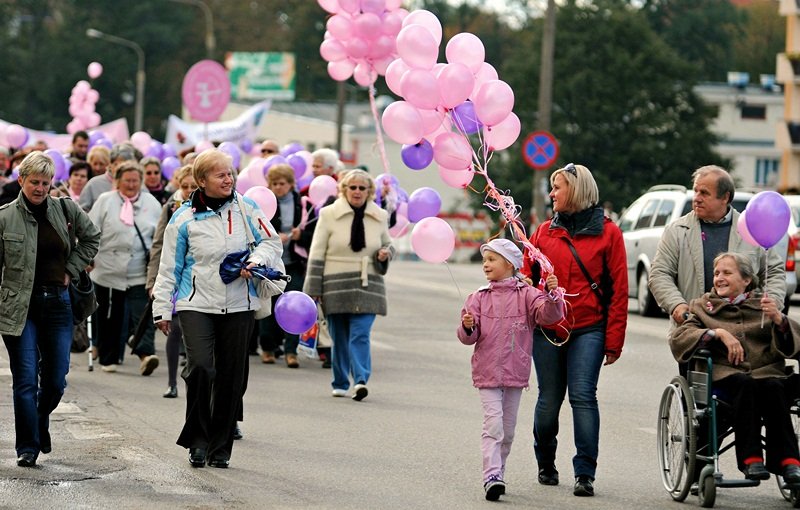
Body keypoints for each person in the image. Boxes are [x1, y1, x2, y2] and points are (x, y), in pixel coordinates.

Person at [152, 149, 282, 468]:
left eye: (230, 173)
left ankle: (220, 447)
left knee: (230, 376)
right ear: (201, 180)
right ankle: (198, 439)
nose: (229, 179)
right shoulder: (183, 218)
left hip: (239, 303)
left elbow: (272, 242)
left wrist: (256, 261)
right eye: (220, 174)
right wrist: (161, 308)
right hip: (196, 302)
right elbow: (169, 266)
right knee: (200, 367)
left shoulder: (247, 208)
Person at [520, 163, 628, 497]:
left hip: (588, 329)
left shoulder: (609, 233)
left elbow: (619, 291)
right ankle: (546, 463)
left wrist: (613, 342)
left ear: (577, 191)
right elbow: (527, 275)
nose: (551, 194)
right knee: (549, 400)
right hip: (548, 328)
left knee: (583, 396)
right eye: (552, 187)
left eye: (558, 187)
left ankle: (585, 473)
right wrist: (523, 282)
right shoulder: (542, 233)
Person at [0, 151, 100, 467]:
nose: (40, 189)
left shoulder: (65, 209)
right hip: (20, 306)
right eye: (34, 182)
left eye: (46, 183)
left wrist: (71, 267)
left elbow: (92, 238)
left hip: (59, 302)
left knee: (56, 379)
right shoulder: (5, 218)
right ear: (21, 180)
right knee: (26, 379)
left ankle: (40, 418)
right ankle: (27, 447)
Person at [670, 252, 800, 484]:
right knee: (745, 384)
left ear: (747, 280)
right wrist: (717, 333)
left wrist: (780, 321)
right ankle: (751, 460)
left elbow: (794, 344)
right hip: (725, 376)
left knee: (774, 386)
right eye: (717, 273)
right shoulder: (702, 307)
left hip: (767, 373)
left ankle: (789, 462)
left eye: (727, 273)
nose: (719, 278)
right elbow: (680, 338)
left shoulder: (764, 306)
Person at [458, 239, 565, 501]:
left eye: (492, 260)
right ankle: (491, 475)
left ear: (510, 264)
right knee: (493, 425)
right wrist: (468, 326)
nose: (486, 264)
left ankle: (499, 473)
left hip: (515, 373)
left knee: (507, 429)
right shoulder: (478, 298)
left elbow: (549, 317)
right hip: (488, 373)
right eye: (485, 260)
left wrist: (552, 296)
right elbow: (467, 337)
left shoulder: (527, 295)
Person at [649, 164, 785, 330]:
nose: (697, 198)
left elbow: (773, 272)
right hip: (693, 329)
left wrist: (772, 303)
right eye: (695, 191)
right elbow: (659, 273)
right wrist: (677, 305)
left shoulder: (751, 229)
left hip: (744, 331)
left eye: (704, 193)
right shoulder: (676, 231)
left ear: (725, 197)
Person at [303, 169, 394, 401]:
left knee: (360, 334)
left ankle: (361, 380)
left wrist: (385, 253)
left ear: (369, 192)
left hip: (368, 284)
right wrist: (313, 290)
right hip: (335, 284)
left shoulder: (380, 216)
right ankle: (341, 381)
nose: (357, 192)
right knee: (339, 336)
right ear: (343, 190)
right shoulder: (328, 214)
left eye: (362, 188)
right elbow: (316, 252)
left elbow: (388, 244)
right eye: (352, 187)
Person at [88, 161, 162, 374]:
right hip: (108, 270)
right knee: (111, 317)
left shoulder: (151, 203)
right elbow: (91, 231)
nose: (131, 185)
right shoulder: (105, 201)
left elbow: (158, 236)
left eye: (135, 181)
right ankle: (109, 358)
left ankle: (146, 354)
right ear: (117, 181)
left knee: (143, 315)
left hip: (139, 270)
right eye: (127, 180)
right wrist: (88, 258)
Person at [145, 165, 197, 398]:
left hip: (201, 280)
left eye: (192, 187)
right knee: (174, 329)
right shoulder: (172, 208)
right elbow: (158, 245)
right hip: (176, 277)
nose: (188, 191)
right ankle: (172, 382)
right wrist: (153, 280)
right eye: (184, 186)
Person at [259, 164, 314, 367]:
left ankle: (291, 351)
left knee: (295, 306)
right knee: (269, 306)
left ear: (291, 184)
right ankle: (267, 347)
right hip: (270, 264)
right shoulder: (264, 204)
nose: (278, 188)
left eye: (282, 184)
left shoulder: (303, 204)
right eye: (274, 184)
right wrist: (273, 238)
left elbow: (312, 234)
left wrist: (300, 236)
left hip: (294, 263)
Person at [80, 142, 142, 212]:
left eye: (124, 165)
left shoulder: (139, 185)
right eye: (116, 164)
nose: (119, 168)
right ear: (110, 164)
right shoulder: (94, 184)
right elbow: (82, 212)